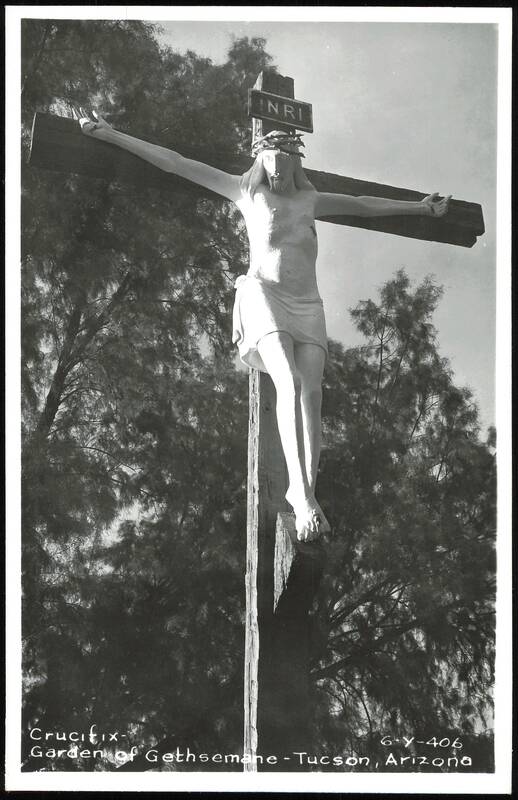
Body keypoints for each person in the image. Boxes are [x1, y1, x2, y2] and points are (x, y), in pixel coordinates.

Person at [73, 108, 451, 542]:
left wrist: (421, 208)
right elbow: (175, 163)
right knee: (288, 381)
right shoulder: (244, 191)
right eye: (271, 163)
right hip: (264, 294)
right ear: (261, 160)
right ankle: (302, 498)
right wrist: (111, 135)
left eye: (285, 164)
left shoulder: (311, 201)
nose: (277, 173)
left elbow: (365, 205)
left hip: (308, 303)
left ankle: (305, 490)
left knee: (313, 395)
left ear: (296, 162)